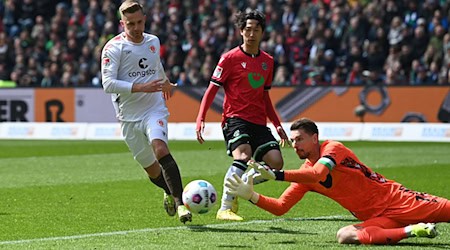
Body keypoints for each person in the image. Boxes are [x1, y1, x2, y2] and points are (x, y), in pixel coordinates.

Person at [226, 118, 450, 244]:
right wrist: (251, 196)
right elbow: (281, 207)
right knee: (345, 235)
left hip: (398, 200)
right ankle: (413, 230)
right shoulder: (304, 173)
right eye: (292, 141)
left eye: (300, 140)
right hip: (377, 218)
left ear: (315, 138)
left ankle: (412, 225)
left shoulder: (333, 148)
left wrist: (277, 175)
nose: (295, 146)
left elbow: (318, 175)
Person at [101, 0, 191, 224]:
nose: (136, 27)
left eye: (139, 22)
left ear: (145, 19)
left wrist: (165, 81)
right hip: (129, 116)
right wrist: (141, 87)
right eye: (130, 24)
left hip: (154, 107)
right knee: (152, 170)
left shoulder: (153, 40)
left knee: (160, 149)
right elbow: (107, 84)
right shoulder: (113, 48)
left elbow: (155, 65)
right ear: (122, 23)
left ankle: (181, 205)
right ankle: (169, 191)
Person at [195, 9, 290, 221]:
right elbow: (211, 90)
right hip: (234, 118)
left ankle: (242, 182)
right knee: (243, 155)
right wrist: (201, 117)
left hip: (258, 121)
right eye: (248, 29)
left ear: (263, 33)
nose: (252, 34)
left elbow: (265, 97)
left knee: (276, 162)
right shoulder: (229, 58)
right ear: (240, 31)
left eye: (256, 30)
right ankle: (225, 207)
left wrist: (277, 124)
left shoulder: (268, 61)